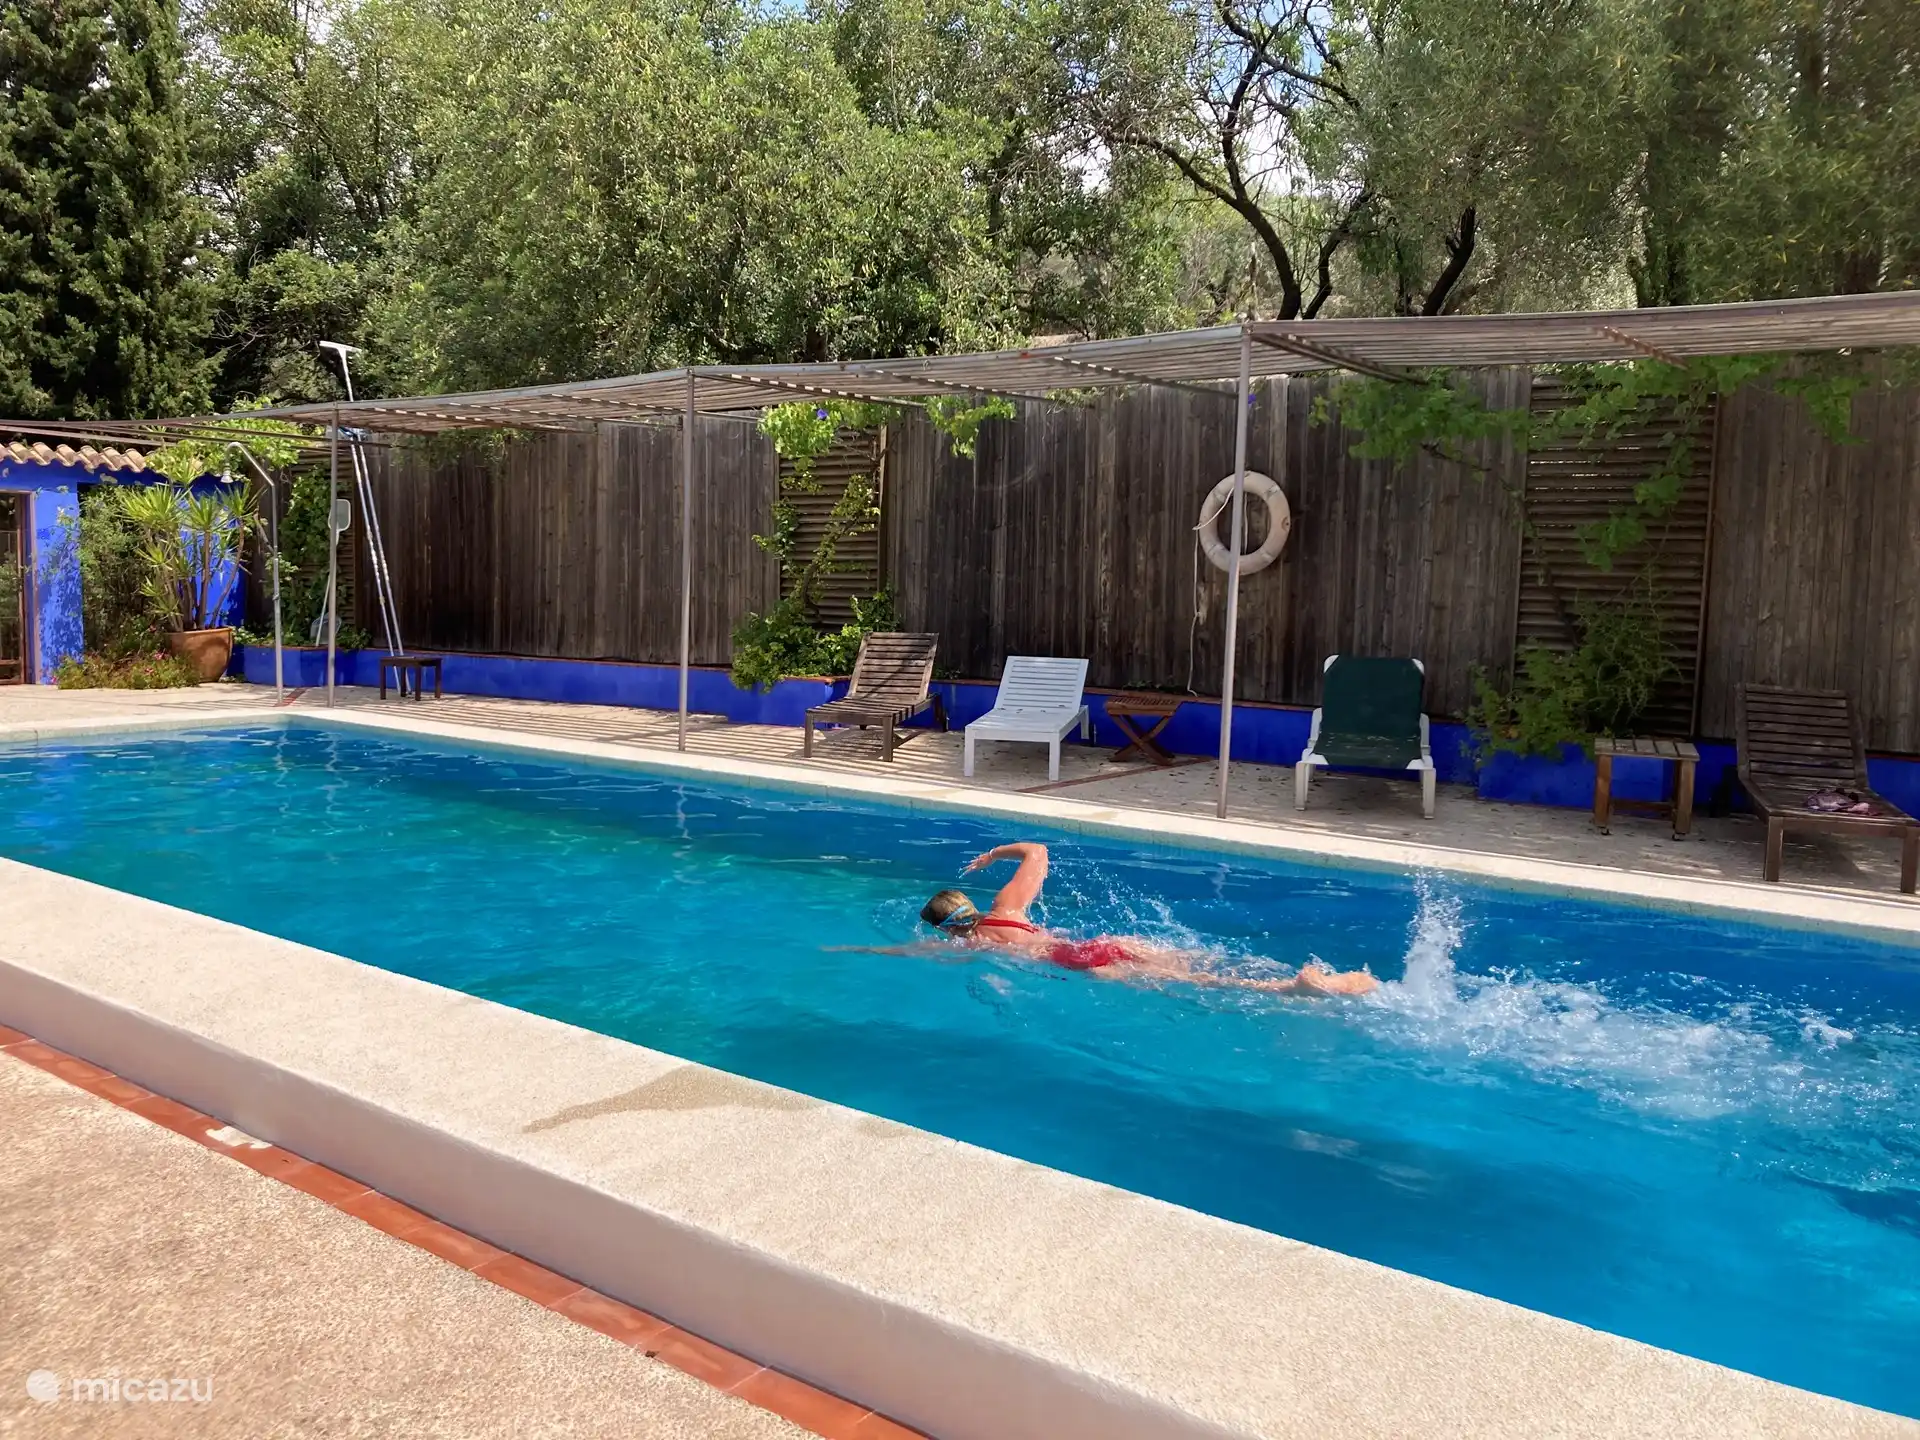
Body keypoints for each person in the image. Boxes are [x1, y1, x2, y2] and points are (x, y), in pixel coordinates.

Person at [918, 842, 1379, 996]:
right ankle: (1320, 979)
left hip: (1084, 964)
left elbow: (913, 951)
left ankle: (1290, 989)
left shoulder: (972, 944)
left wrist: (853, 949)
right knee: (1199, 962)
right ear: (967, 901)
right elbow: (1038, 851)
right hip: (1106, 942)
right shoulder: (1007, 908)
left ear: (946, 926)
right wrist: (994, 855)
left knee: (1200, 983)